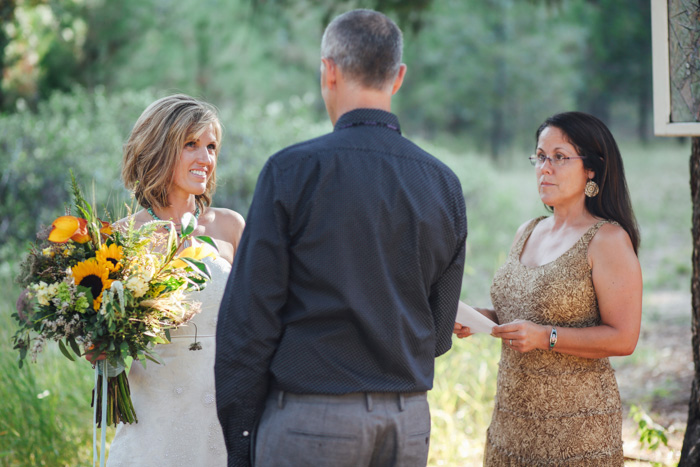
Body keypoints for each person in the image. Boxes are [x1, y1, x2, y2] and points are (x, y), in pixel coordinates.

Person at [215, 9, 467, 467]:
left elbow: (249, 321)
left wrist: (241, 437)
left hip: (312, 417)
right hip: (407, 421)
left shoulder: (292, 172)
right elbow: (440, 324)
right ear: (399, 77)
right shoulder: (442, 183)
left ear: (328, 71)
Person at [454, 111, 642, 466]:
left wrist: (545, 338)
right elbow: (526, 314)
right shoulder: (527, 230)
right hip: (511, 421)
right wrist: (482, 319)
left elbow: (624, 338)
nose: (545, 167)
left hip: (576, 430)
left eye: (559, 157)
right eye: (540, 156)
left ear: (591, 168)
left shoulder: (608, 240)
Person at [106, 94, 245, 466]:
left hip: (223, 417)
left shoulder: (230, 227)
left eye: (211, 146)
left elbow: (259, 323)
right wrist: (97, 345)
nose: (206, 158)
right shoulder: (120, 238)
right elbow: (104, 344)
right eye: (191, 144)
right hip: (152, 423)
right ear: (158, 149)